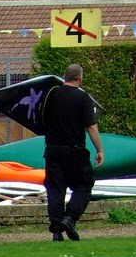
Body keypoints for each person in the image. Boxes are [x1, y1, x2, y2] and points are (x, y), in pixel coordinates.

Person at [40, 63, 103, 241]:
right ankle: (70, 218)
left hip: (52, 149)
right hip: (75, 150)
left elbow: (42, 119)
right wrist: (99, 150)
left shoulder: (51, 95)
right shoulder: (83, 98)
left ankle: (56, 231)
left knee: (55, 190)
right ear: (80, 79)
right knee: (84, 185)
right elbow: (91, 126)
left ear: (64, 76)